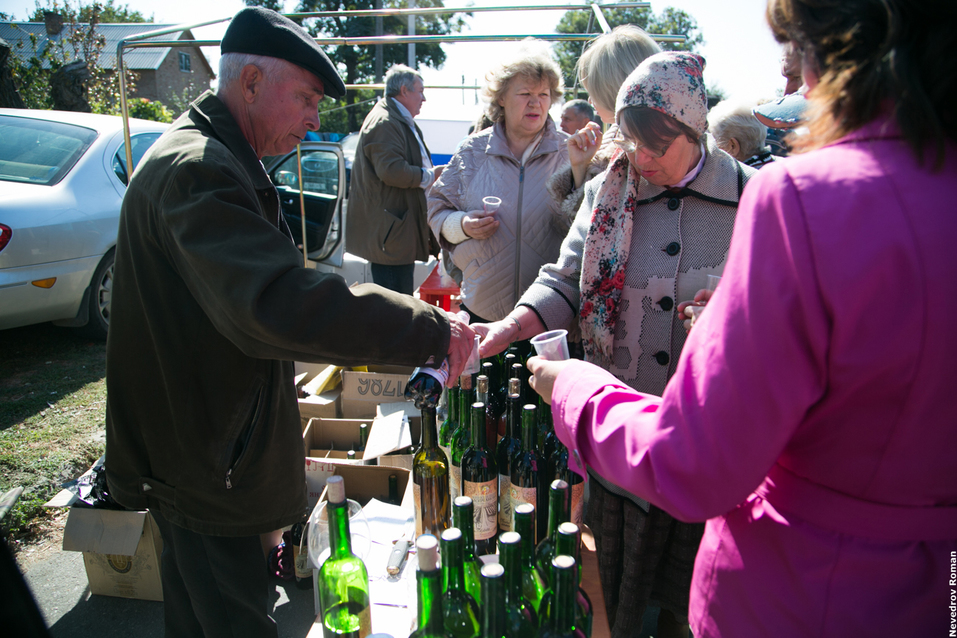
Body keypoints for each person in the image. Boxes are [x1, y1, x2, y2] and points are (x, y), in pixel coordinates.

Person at [526, 0, 957, 636]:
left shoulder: (798, 200)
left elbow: (695, 460)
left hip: (801, 588)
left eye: (797, 55)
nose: (789, 79)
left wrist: (576, 390)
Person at [104, 8, 474, 637]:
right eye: (305, 98)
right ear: (250, 82)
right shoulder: (200, 169)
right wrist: (430, 328)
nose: (315, 119)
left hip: (199, 454)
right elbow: (276, 301)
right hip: (203, 463)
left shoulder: (213, 156)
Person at [477, 52, 756, 638]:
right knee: (616, 599)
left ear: (695, 129)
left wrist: (731, 316)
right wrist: (509, 326)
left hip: (706, 447)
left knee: (693, 610)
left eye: (659, 146)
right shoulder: (609, 191)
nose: (642, 159)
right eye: (632, 142)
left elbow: (778, 312)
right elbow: (564, 281)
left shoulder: (751, 198)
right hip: (621, 448)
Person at [427, 41, 569, 325]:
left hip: (546, 313)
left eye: (544, 94)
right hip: (482, 308)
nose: (536, 103)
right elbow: (437, 210)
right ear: (501, 97)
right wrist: (463, 225)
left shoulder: (569, 153)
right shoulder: (472, 151)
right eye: (525, 93)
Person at [546, 24, 661, 232]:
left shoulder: (640, 149)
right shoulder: (615, 139)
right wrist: (580, 167)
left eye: (593, 90)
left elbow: (599, 228)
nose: (590, 100)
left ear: (611, 88)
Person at [346, 64, 443, 295]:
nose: (424, 98)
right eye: (420, 91)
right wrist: (432, 175)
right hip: (391, 234)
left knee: (398, 300)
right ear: (404, 90)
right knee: (395, 301)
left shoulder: (395, 119)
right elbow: (392, 171)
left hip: (395, 232)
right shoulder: (386, 121)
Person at [707, 99, 775, 168]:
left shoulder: (743, 174)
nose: (713, 149)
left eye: (715, 143)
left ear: (733, 146)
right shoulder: (778, 165)